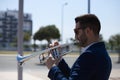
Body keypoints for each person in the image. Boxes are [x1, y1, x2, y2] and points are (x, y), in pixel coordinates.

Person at [45, 14, 112, 80]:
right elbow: (74, 76)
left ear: (88, 31)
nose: (75, 37)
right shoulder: (101, 52)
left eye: (76, 32)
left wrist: (52, 68)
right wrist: (59, 60)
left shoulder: (90, 55)